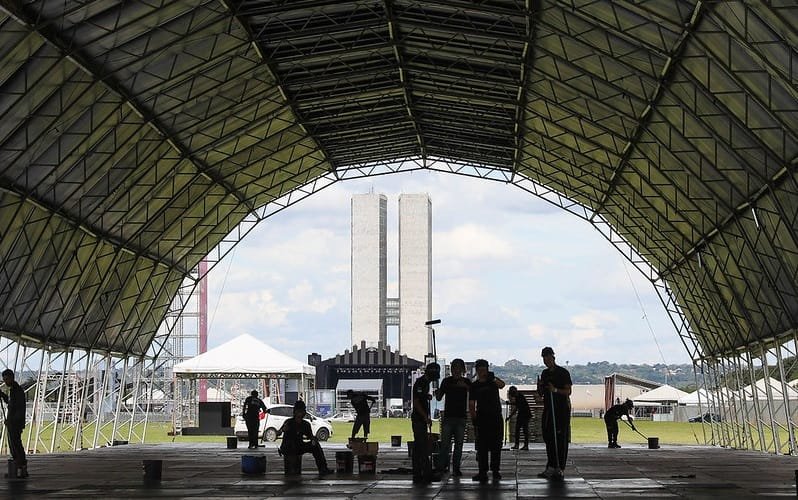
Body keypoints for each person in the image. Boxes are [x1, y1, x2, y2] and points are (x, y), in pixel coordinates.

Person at [537, 346, 572, 481]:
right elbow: (542, 393)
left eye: (548, 358)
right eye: (544, 358)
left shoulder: (563, 373)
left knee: (560, 439)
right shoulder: (545, 373)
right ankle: (551, 465)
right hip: (548, 409)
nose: (546, 361)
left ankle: (560, 467)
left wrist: (555, 390)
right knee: (549, 438)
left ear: (553, 357)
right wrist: (540, 388)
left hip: (561, 410)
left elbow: (568, 391)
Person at [469, 359, 505, 483]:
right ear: (477, 371)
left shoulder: (492, 381)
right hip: (482, 418)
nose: (482, 372)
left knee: (496, 445)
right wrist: (474, 418)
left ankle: (495, 470)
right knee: (482, 447)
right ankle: (482, 471)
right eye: (480, 370)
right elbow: (471, 403)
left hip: (495, 417)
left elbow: (502, 385)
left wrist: (493, 378)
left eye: (484, 370)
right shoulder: (474, 385)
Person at [434, 358, 471, 476]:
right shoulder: (446, 381)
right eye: (455, 368)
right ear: (452, 369)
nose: (457, 370)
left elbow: (474, 394)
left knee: (458, 445)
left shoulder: (466, 382)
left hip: (461, 417)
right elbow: (439, 397)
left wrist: (466, 387)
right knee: (445, 445)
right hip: (449, 417)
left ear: (462, 369)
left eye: (459, 368)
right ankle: (441, 467)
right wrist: (437, 391)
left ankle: (456, 468)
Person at [278, 400, 334, 476]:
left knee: (316, 446)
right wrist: (283, 430)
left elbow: (310, 436)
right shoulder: (289, 422)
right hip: (288, 447)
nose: (301, 413)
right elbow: (279, 432)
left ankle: (323, 469)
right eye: (299, 411)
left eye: (302, 411)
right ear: (295, 412)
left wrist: (314, 440)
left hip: (299, 446)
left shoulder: (305, 424)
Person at [411, 362, 441, 484]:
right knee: (422, 447)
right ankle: (426, 474)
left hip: (421, 419)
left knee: (419, 447)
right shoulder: (421, 383)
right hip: (419, 419)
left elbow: (420, 397)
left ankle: (418, 473)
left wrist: (426, 396)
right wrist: (425, 417)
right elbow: (416, 402)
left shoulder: (425, 383)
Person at [0, 369, 27, 479]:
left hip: (15, 423)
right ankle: (18, 468)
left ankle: (21, 467)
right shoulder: (13, 390)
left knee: (16, 445)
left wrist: (11, 420)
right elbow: (11, 402)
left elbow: (19, 409)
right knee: (14, 445)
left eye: (7, 379)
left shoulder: (17, 391)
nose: (5, 382)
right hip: (13, 423)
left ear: (11, 377)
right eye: (4, 380)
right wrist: (3, 395)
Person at [507, 386, 531, 450]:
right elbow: (517, 406)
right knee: (518, 430)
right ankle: (518, 445)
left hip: (525, 415)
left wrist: (510, 404)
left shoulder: (520, 397)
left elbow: (517, 406)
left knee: (524, 430)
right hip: (522, 415)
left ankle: (525, 445)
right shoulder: (518, 396)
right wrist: (510, 416)